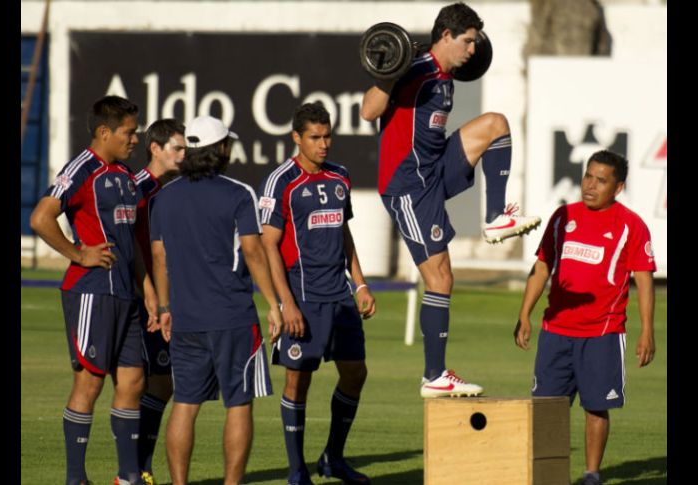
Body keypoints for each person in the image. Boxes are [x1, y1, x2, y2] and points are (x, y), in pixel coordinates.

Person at [360, 1, 541, 398]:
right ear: (446, 35)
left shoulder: (446, 77)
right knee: (441, 277)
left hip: (435, 167)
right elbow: (368, 110)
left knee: (496, 124)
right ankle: (433, 375)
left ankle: (494, 217)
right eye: (468, 41)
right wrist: (389, 71)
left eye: (475, 42)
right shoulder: (415, 68)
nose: (473, 50)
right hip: (408, 185)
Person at [29, 95, 159, 485]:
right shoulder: (82, 169)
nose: (134, 139)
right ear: (104, 132)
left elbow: (130, 241)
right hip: (92, 293)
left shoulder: (123, 174)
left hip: (127, 294)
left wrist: (148, 290)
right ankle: (75, 478)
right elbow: (40, 217)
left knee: (134, 381)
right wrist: (77, 253)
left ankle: (128, 476)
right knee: (90, 382)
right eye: (129, 132)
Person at [149, 115, 282, 485]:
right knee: (238, 403)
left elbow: (159, 258)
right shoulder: (239, 193)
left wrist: (164, 307)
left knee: (184, 404)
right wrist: (274, 303)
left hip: (185, 319)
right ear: (220, 149)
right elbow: (254, 254)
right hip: (233, 318)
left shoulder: (165, 196)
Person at [513, 150, 656, 485]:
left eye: (601, 180)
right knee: (548, 409)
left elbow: (644, 279)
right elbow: (542, 267)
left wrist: (647, 330)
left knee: (595, 406)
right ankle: (546, 474)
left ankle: (591, 474)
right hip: (555, 331)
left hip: (603, 334)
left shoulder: (631, 225)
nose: (590, 185)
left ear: (618, 187)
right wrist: (524, 314)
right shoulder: (563, 216)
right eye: (588, 176)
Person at [258, 102, 376, 485]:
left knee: (355, 373)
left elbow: (344, 234)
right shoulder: (282, 181)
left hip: (339, 296)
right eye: (315, 137)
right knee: (298, 381)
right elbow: (268, 246)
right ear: (296, 138)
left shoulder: (339, 176)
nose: (324, 144)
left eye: (327, 136)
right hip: (302, 297)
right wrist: (285, 303)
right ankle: (296, 471)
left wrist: (359, 283)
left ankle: (333, 459)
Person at [130, 118, 187, 485]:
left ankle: (137, 468)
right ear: (155, 148)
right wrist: (148, 294)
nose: (184, 155)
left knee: (159, 383)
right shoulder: (137, 191)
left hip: (163, 300)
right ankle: (136, 469)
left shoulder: (172, 190)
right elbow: (130, 247)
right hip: (141, 302)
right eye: (177, 148)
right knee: (141, 382)